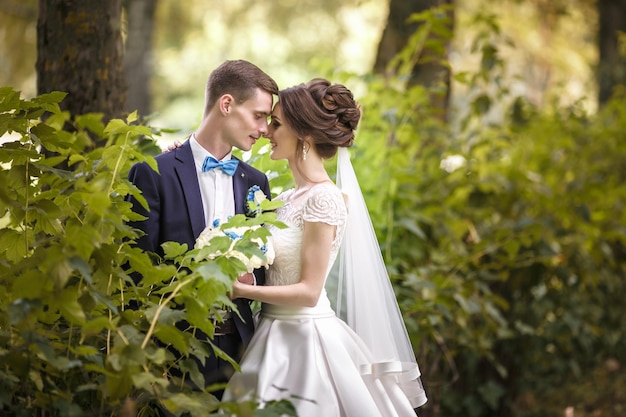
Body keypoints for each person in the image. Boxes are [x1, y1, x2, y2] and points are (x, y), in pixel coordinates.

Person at [223, 78, 428, 416]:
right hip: (269, 333)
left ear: (303, 134)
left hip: (305, 340)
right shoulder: (285, 199)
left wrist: (242, 292)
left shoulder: (325, 199)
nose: (267, 132)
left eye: (276, 124)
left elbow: (308, 292)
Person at [127, 59, 279, 393]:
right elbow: (136, 272)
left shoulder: (256, 182)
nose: (265, 128)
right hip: (172, 351)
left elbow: (268, 264)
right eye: (258, 115)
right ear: (226, 104)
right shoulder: (153, 173)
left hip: (240, 350)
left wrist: (249, 278)